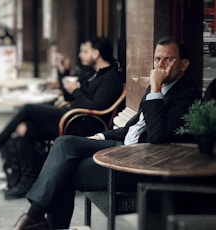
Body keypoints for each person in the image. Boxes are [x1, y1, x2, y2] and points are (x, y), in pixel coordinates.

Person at [11, 36, 202, 230]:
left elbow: (157, 136)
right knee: (64, 143)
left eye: (168, 60)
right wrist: (101, 136)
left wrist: (155, 89)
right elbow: (130, 128)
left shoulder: (187, 94)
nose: (160, 66)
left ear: (184, 64)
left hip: (140, 162)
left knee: (63, 171)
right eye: (157, 59)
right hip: (122, 147)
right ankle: (36, 219)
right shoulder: (156, 88)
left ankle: (36, 219)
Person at [0, 37, 123, 198]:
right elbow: (70, 96)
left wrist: (76, 91)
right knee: (26, 128)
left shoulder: (110, 78)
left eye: (85, 51)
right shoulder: (93, 73)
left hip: (80, 124)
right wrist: (63, 73)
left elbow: (95, 107)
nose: (80, 54)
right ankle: (26, 181)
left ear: (96, 54)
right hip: (71, 116)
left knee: (28, 109)